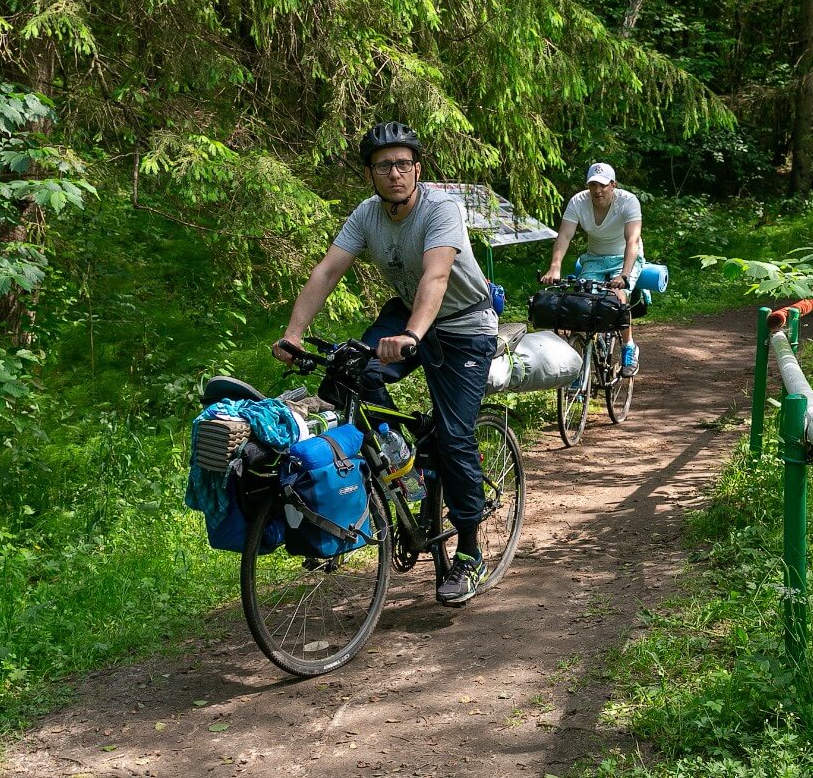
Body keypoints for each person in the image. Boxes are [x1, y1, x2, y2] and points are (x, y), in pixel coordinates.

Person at [272, 122, 498, 606]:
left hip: (463, 324)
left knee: (455, 436)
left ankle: (470, 554)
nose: (394, 173)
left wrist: (413, 334)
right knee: (343, 375)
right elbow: (327, 270)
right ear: (371, 175)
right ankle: (400, 454)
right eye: (383, 166)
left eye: (402, 164)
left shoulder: (441, 209)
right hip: (408, 316)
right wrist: (293, 334)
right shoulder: (367, 215)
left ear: (417, 169)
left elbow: (436, 276)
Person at [539, 162, 643, 376]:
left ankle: (629, 347)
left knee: (617, 298)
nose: (597, 190)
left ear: (613, 185)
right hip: (594, 258)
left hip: (624, 257)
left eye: (603, 185)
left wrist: (624, 275)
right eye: (593, 185)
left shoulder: (628, 202)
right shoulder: (578, 201)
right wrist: (554, 267)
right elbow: (565, 236)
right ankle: (579, 369)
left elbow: (632, 240)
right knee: (581, 301)